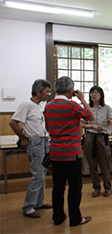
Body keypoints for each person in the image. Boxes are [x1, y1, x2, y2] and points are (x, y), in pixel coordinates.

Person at [44, 76, 94, 226]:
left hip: (55, 153)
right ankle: (75, 218)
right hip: (72, 153)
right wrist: (83, 99)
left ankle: (58, 217)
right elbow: (90, 116)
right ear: (71, 90)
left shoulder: (48, 106)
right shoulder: (72, 105)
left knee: (58, 187)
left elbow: (47, 128)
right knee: (75, 187)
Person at [9, 79, 53, 218]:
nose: (48, 94)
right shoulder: (26, 104)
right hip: (35, 142)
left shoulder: (40, 105)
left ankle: (39, 201)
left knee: (42, 173)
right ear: (38, 91)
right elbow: (12, 122)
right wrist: (23, 138)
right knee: (38, 174)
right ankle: (28, 206)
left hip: (44, 141)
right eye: (46, 91)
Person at [81, 86, 112, 198]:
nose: (94, 94)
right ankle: (96, 187)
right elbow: (81, 124)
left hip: (102, 137)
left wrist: (110, 121)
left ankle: (108, 188)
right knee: (92, 165)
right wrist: (92, 126)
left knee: (104, 164)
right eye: (92, 93)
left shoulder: (107, 108)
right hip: (90, 137)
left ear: (101, 95)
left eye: (96, 92)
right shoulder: (86, 108)